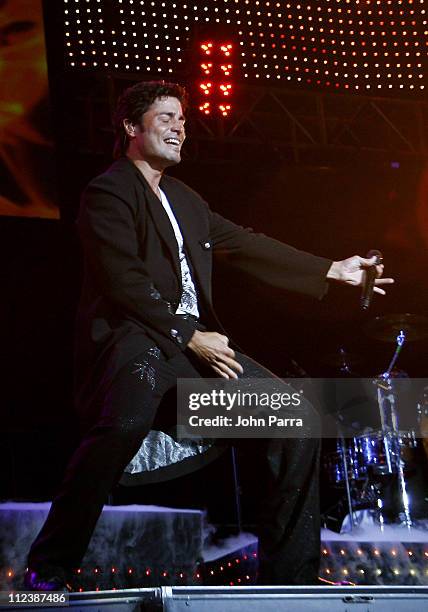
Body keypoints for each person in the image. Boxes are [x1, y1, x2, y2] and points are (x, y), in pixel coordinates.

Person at [24, 80, 393, 591]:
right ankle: (47, 572)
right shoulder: (108, 190)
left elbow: (246, 244)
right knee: (121, 428)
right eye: (166, 117)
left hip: (195, 351)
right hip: (140, 340)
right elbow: (121, 277)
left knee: (299, 422)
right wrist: (188, 333)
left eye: (183, 120)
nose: (179, 127)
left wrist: (333, 269)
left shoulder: (185, 199)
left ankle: (292, 579)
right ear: (131, 127)